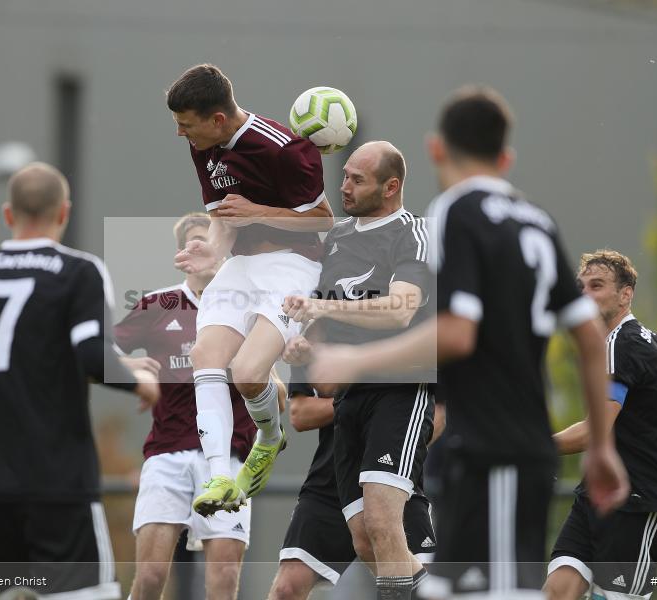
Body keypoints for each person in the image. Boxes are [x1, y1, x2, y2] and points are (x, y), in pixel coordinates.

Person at [310, 86, 629, 598]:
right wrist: (603, 449)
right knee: (450, 587)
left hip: (492, 447)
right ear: (507, 157)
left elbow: (458, 332)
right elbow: (591, 337)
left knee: (497, 590)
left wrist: (355, 356)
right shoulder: (536, 219)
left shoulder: (456, 209)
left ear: (437, 149)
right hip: (508, 444)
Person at [0, 162, 158, 599]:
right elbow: (91, 353)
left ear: (8, 215)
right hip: (58, 482)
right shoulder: (78, 271)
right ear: (63, 212)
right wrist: (138, 381)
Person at [167, 64, 334, 515]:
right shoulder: (204, 145)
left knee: (247, 373)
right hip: (241, 265)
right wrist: (213, 253)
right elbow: (225, 218)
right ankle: (219, 473)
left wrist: (259, 212)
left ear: (217, 119)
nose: (181, 134)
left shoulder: (285, 149)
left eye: (186, 124)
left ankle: (270, 436)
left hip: (292, 266)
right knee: (205, 356)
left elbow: (324, 221)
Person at [277, 141, 436, 600]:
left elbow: (401, 310)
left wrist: (321, 306)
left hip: (401, 387)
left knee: (385, 519)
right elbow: (322, 321)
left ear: (391, 187)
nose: (343, 186)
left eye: (356, 179)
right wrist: (305, 345)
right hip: (349, 398)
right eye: (344, 175)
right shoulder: (339, 237)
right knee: (366, 537)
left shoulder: (412, 232)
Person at [115, 212, 284, 600]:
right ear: (182, 251)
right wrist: (132, 370)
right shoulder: (157, 304)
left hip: (228, 459)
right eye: (195, 240)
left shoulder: (249, 307)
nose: (204, 247)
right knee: (153, 576)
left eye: (212, 239)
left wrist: (264, 379)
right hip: (167, 453)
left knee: (223, 579)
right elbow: (96, 352)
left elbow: (277, 393)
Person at [544, 250, 657, 600]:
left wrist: (533, 446)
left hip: (641, 504)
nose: (586, 295)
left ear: (626, 294)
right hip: (596, 497)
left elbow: (595, 430)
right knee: (557, 591)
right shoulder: (656, 344)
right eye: (581, 287)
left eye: (597, 286)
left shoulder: (622, 345)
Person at [268, 365, 444, 600]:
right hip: (331, 479)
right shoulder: (318, 333)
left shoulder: (412, 341)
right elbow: (300, 413)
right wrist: (355, 395)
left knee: (389, 541)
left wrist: (393, 451)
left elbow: (438, 411)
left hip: (394, 477)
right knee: (287, 589)